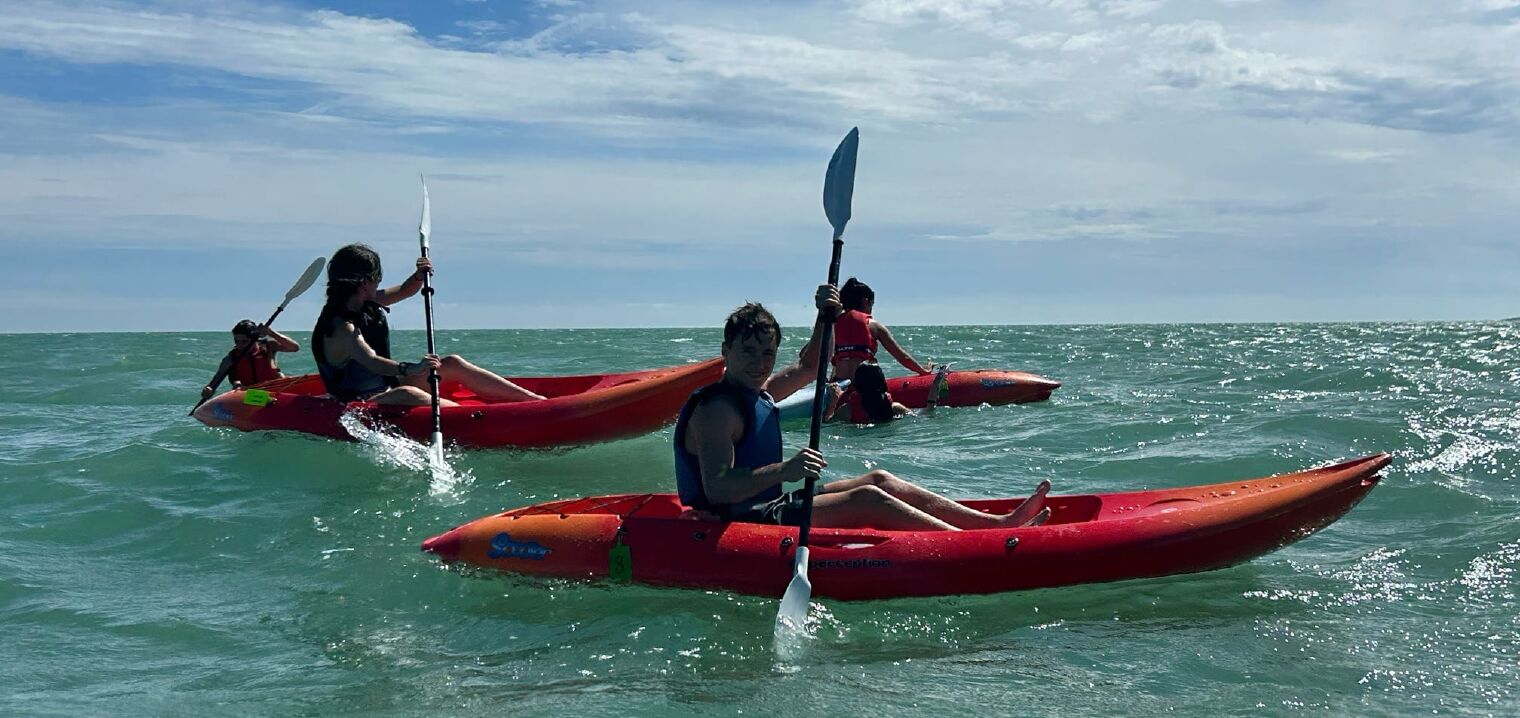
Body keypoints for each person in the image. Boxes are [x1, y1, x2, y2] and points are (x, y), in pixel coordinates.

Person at [673, 285, 1050, 531]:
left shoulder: (762, 393)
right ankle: (973, 544)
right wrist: (785, 469)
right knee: (866, 500)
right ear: (726, 351)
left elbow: (810, 366)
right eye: (748, 352)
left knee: (880, 480)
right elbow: (719, 489)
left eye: (767, 353)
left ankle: (995, 524)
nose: (759, 362)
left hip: (769, 506)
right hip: (741, 520)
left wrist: (826, 316)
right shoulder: (717, 411)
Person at [311, 243, 546, 406]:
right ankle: (478, 417)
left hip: (385, 388)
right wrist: (409, 368)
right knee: (407, 393)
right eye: (376, 279)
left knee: (452, 363)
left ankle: (537, 403)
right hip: (357, 403)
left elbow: (405, 291)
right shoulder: (341, 328)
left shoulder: (367, 300)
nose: (378, 284)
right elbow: (371, 361)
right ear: (364, 283)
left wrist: (419, 274)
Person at [831, 277, 933, 383]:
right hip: (865, 386)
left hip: (839, 383)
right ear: (866, 301)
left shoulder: (833, 325)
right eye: (872, 304)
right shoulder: (874, 326)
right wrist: (924, 371)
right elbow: (902, 357)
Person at [200, 320, 299, 400]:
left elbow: (294, 347)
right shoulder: (231, 358)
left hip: (276, 389)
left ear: (255, 339)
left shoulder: (268, 347)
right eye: (237, 341)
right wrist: (209, 389)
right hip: (250, 395)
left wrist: (271, 333)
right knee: (247, 394)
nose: (239, 345)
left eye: (244, 341)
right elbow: (214, 382)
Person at [825, 361, 909, 424]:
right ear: (883, 384)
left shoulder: (847, 411)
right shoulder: (896, 408)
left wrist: (833, 402)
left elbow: (827, 424)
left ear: (857, 385)